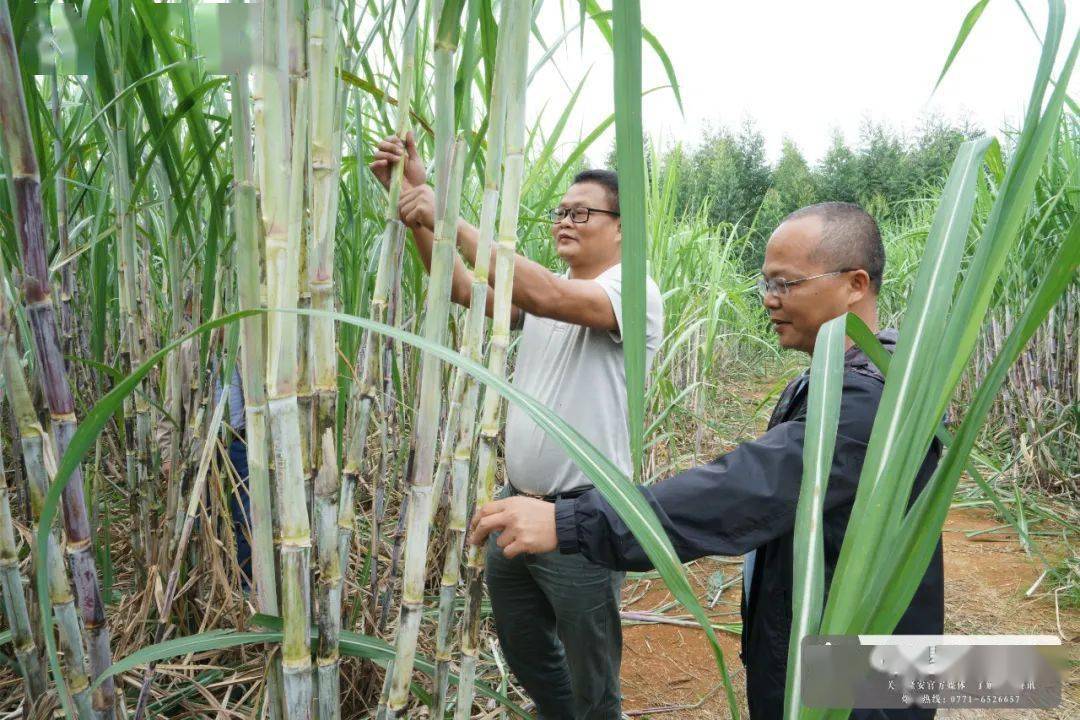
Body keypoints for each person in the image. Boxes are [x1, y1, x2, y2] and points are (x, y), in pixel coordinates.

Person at [469, 202, 945, 720]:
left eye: (786, 284)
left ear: (855, 283)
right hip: (827, 646)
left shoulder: (870, 400)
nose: (769, 300)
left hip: (860, 677)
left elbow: (744, 491)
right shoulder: (831, 378)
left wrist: (571, 520)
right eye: (766, 283)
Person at [371, 133, 664, 719]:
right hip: (518, 503)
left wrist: (447, 210)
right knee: (525, 644)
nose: (566, 221)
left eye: (582, 212)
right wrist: (416, 210)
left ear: (622, 228)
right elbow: (458, 287)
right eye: (561, 212)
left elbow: (549, 292)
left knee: (592, 668)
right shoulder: (544, 296)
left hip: (584, 515)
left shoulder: (630, 292)